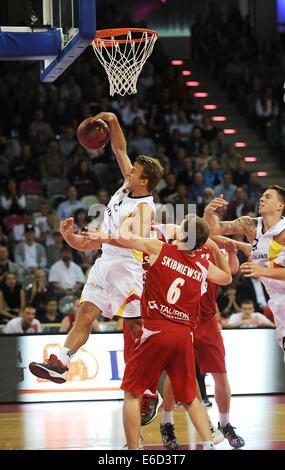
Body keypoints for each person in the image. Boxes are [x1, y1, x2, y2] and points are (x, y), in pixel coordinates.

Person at [29, 112, 164, 390]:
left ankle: (149, 389)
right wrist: (70, 238)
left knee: (137, 329)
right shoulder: (128, 187)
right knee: (85, 312)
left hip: (128, 268)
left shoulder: (144, 208)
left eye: (134, 172)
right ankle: (61, 363)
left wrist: (105, 236)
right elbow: (119, 148)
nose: (128, 172)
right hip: (106, 262)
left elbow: (128, 239)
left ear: (144, 181)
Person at [93, 215, 232, 450]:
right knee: (190, 398)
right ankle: (209, 444)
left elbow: (124, 237)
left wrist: (115, 228)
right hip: (184, 335)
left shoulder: (160, 248)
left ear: (182, 235)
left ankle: (133, 449)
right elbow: (227, 277)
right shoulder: (201, 263)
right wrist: (217, 250)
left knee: (132, 393)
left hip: (156, 329)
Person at [160, 235, 245, 450]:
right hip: (181, 318)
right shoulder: (174, 250)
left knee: (220, 373)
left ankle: (225, 424)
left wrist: (230, 252)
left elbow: (231, 271)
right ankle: (167, 423)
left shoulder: (212, 250)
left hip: (207, 322)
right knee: (175, 374)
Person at [203, 185, 285, 355]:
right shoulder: (251, 225)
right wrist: (208, 213)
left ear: (280, 205)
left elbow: (264, 263)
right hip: (278, 303)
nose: (262, 199)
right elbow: (213, 231)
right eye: (262, 195)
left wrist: (261, 271)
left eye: (268, 197)